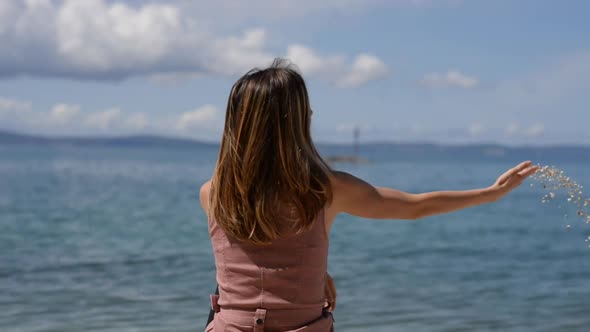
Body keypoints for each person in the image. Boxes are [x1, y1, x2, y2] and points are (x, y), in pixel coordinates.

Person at [200, 58, 538, 331]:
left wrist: (315, 273)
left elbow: (250, 263)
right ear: (297, 122)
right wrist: (491, 194)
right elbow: (416, 207)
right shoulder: (324, 190)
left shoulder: (213, 194)